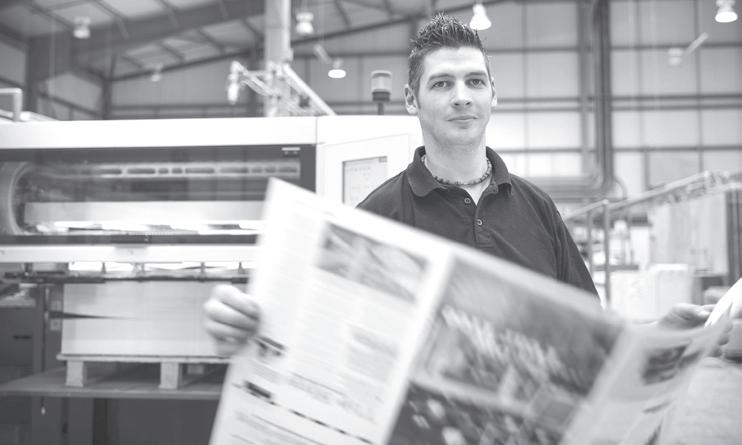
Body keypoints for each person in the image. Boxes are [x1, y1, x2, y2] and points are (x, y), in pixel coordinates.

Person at [203, 14, 718, 357]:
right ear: (411, 100)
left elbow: (594, 335)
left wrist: (660, 335)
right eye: (442, 83)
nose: (461, 96)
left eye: (474, 81)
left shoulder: (538, 210)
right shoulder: (378, 216)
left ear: (494, 94)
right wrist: (246, 325)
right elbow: (313, 332)